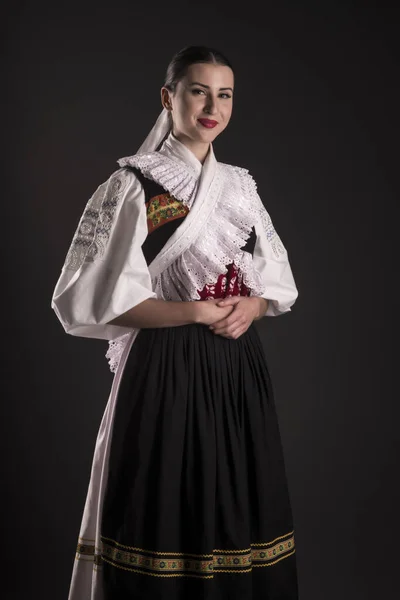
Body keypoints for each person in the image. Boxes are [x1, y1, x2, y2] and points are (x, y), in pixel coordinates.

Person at [52, 45, 299, 600]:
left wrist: (254, 306)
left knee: (236, 501)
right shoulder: (133, 185)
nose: (213, 106)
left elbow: (276, 283)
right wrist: (194, 311)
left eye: (225, 94)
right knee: (165, 503)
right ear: (170, 97)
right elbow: (95, 301)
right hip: (166, 370)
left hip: (236, 371)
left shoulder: (240, 187)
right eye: (198, 91)